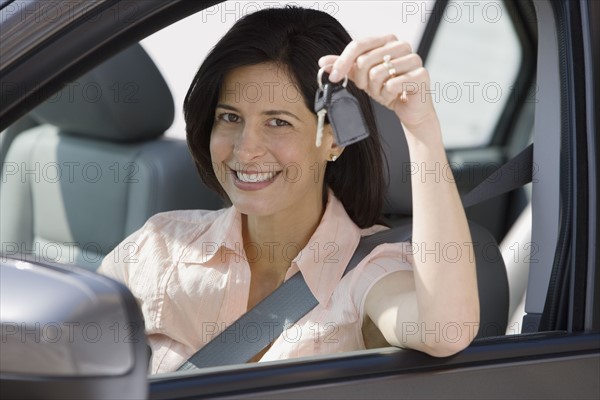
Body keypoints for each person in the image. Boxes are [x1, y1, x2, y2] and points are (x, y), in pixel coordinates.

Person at [98, 6, 479, 374]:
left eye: (278, 122)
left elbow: (444, 332)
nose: (245, 148)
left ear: (333, 141)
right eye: (230, 117)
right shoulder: (160, 246)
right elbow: (67, 348)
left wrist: (421, 125)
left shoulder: (367, 268)